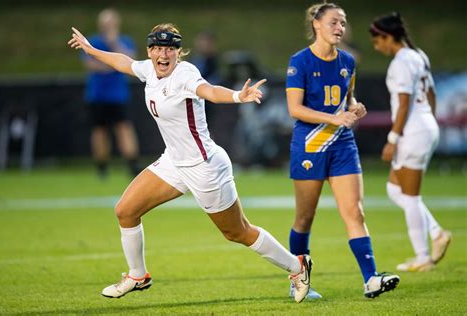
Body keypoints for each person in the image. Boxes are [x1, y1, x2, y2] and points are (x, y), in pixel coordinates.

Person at [68, 23, 312, 303]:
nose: (163, 54)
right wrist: (91, 49)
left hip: (204, 166)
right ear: (150, 51)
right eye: (157, 48)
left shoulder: (185, 74)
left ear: (178, 53)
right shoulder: (149, 68)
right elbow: (124, 63)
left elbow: (208, 91)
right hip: (173, 162)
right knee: (125, 210)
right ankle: (138, 275)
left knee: (237, 231)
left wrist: (237, 96)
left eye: (169, 49)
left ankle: (297, 266)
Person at [285, 2, 400, 299]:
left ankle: (371, 279)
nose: (340, 28)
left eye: (343, 23)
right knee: (304, 218)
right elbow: (294, 109)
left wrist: (353, 107)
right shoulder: (299, 61)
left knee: (355, 213)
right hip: (310, 144)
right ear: (316, 24)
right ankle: (298, 282)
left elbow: (347, 98)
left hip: (342, 144)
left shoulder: (348, 60)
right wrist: (334, 117)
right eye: (334, 22)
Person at [369, 12, 452, 272]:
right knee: (396, 190)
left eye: (376, 40)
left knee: (410, 196)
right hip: (425, 127)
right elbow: (432, 94)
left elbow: (404, 105)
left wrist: (392, 139)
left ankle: (423, 257)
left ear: (387, 36)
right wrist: (430, 122)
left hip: (412, 132)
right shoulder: (419, 55)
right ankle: (436, 232)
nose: (376, 46)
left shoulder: (400, 63)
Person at [82, 8, 141, 179]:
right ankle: (101, 167)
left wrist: (114, 43)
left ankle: (132, 165)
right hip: (97, 95)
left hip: (118, 96)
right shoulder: (92, 41)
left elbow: (131, 60)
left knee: (124, 129)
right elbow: (90, 64)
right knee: (100, 132)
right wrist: (113, 65)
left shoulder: (124, 41)